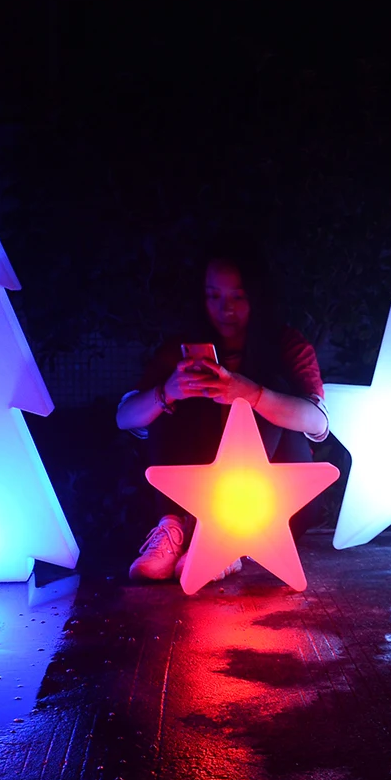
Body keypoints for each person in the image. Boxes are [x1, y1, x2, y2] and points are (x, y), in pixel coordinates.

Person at [116, 239, 330, 582]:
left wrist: (253, 394)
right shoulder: (182, 350)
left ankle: (224, 538)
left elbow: (319, 423)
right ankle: (177, 528)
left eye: (238, 297)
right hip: (198, 494)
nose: (225, 309)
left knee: (275, 390)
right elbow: (125, 418)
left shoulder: (286, 345)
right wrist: (167, 391)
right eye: (213, 296)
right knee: (169, 396)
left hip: (275, 505)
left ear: (257, 296)